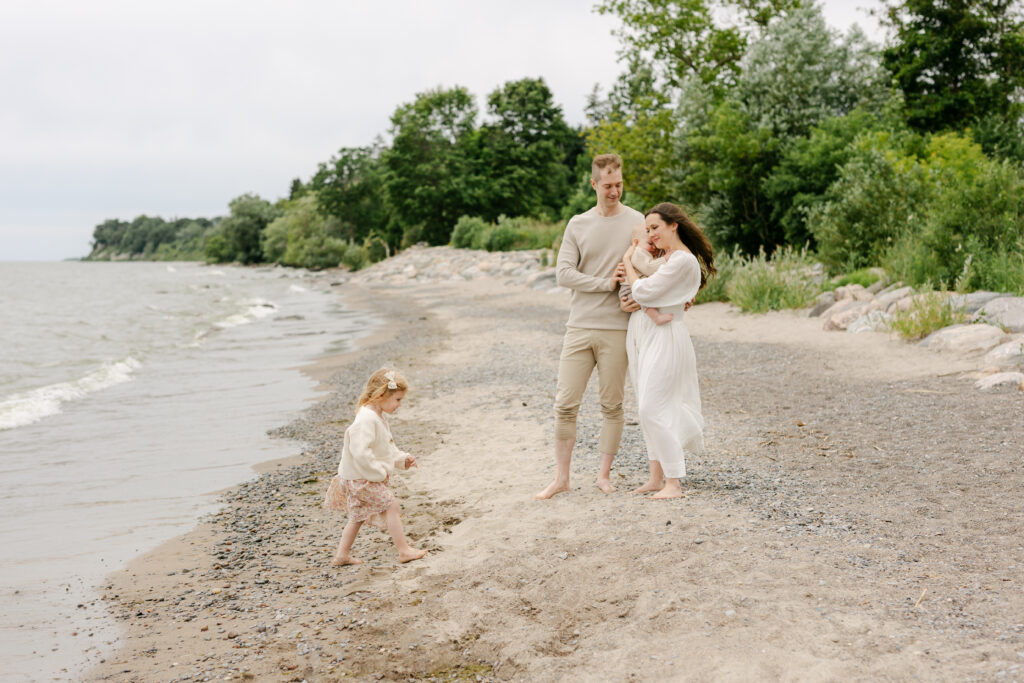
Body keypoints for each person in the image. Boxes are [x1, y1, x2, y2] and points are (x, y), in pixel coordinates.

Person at [535, 153, 645, 499]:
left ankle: (603, 475)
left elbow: (645, 266)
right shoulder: (577, 224)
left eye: (620, 184)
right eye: (608, 186)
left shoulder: (637, 221)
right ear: (594, 183)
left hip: (618, 327)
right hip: (580, 325)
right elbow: (563, 273)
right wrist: (605, 283)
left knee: (612, 405)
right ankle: (562, 478)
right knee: (565, 404)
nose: (615, 191)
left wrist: (636, 288)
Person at [619, 202, 716, 499]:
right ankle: (656, 477)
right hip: (643, 333)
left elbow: (645, 292)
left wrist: (628, 262)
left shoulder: (683, 261)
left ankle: (674, 481)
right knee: (646, 404)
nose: (651, 234)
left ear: (673, 225)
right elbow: (648, 292)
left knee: (653, 407)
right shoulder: (667, 258)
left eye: (655, 227)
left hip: (666, 334)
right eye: (647, 229)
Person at [323, 368, 427, 564]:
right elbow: (361, 452)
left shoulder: (376, 415)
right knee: (391, 505)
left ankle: (342, 555)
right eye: (397, 399)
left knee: (357, 516)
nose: (399, 405)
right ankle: (404, 551)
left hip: (356, 476)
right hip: (362, 478)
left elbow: (385, 448)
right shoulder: (366, 419)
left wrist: (402, 459)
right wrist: (378, 473)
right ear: (381, 395)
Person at [622, 223, 673, 326]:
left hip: (636, 286)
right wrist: (665, 259)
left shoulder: (646, 253)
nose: (654, 247)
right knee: (643, 299)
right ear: (636, 242)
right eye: (650, 244)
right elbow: (649, 268)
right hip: (628, 289)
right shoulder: (637, 252)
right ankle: (656, 317)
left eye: (655, 244)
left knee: (645, 296)